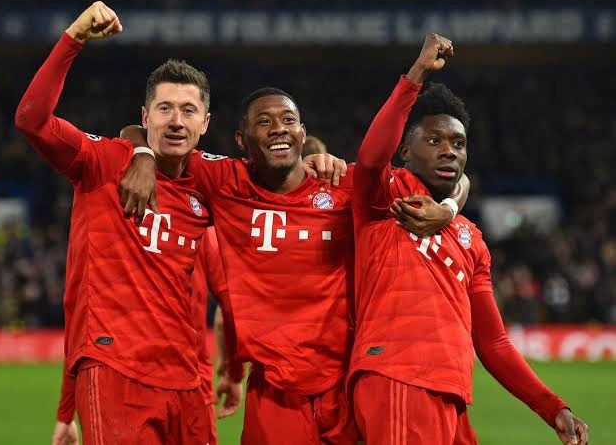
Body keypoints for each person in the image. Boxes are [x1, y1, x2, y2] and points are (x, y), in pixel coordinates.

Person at [120, 82, 469, 442]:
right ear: (241, 140)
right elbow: (141, 134)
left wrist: (448, 207)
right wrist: (143, 155)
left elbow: (450, 176)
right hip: (276, 392)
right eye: (264, 122)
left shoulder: (342, 183)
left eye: (288, 120)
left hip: (344, 387)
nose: (278, 129)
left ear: (302, 132)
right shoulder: (225, 180)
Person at [349, 33, 589, 445]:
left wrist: (552, 406)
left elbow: (492, 341)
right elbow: (371, 159)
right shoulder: (385, 198)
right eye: (434, 141)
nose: (449, 151)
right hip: (398, 377)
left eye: (458, 144)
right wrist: (417, 73)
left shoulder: (470, 237)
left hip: (451, 392)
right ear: (405, 151)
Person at [16, 1, 215, 444]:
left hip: (186, 380)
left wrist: (319, 162)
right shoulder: (102, 162)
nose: (176, 121)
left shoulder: (212, 182)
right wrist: (74, 38)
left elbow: (280, 184)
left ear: (204, 123)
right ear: (145, 118)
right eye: (164, 109)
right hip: (115, 368)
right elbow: (31, 121)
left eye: (187, 110)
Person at [192, 226, 244, 445]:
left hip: (124, 369)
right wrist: (234, 373)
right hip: (192, 378)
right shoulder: (200, 225)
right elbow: (229, 309)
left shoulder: (115, 220)